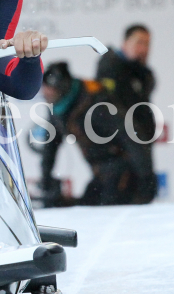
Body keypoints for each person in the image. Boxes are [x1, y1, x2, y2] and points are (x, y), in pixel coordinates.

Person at [33, 62, 147, 207]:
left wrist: (146, 178)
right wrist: (46, 180)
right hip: (101, 173)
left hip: (123, 171)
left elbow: (130, 135)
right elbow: (50, 147)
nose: (45, 93)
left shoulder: (96, 101)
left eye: (49, 89)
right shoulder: (58, 107)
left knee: (104, 211)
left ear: (61, 87)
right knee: (85, 209)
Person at [96, 24, 157, 203]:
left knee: (144, 198)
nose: (144, 49)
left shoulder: (142, 72)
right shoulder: (110, 67)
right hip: (121, 152)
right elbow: (114, 115)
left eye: (147, 44)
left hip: (141, 144)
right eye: (139, 42)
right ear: (125, 43)